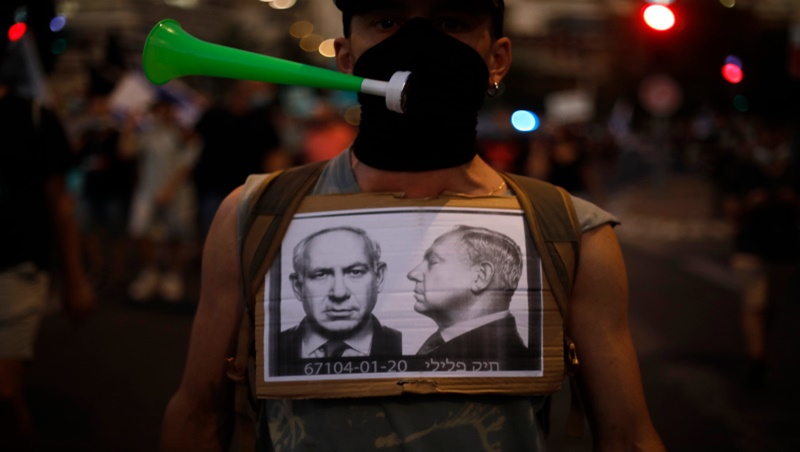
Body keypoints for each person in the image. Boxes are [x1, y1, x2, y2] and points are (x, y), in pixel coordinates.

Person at [161, 1, 665, 450]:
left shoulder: (571, 232)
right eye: (386, 21)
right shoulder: (252, 216)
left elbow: (626, 434)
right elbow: (199, 414)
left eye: (452, 21)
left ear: (498, 58)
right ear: (346, 58)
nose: (418, 43)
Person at [0, 43, 95, 449]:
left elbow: (60, 204)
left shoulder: (34, 117)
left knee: (3, 394)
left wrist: (74, 279)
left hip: (17, 267)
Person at [408, 225, 532, 366]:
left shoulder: (509, 361)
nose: (412, 274)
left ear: (480, 276)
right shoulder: (504, 354)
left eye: (433, 262)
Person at [280, 226, 400, 368]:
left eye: (355, 272)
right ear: (297, 287)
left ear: (379, 278)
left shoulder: (406, 345)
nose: (339, 293)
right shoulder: (273, 348)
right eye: (320, 275)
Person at [123, 97, 201, 302]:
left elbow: (187, 164)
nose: (162, 114)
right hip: (148, 191)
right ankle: (151, 271)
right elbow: (126, 151)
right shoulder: (149, 133)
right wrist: (129, 126)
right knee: (139, 230)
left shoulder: (183, 133)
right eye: (158, 110)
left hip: (177, 194)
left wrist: (169, 190)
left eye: (167, 110)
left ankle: (173, 275)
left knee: (177, 234)